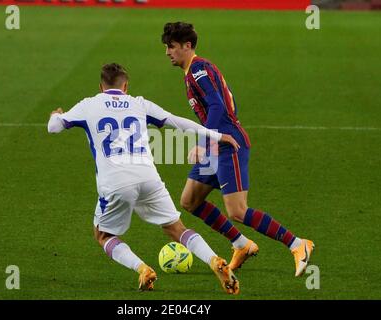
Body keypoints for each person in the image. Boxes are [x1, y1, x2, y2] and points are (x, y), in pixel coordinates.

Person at [47, 63, 240, 294]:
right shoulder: (139, 103)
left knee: (103, 234)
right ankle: (213, 260)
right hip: (148, 177)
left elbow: (53, 128)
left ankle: (142, 269)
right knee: (176, 228)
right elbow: (177, 121)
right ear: (125, 86)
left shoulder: (88, 105)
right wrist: (217, 135)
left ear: (101, 87)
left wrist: (55, 115)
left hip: (116, 182)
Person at [161, 22, 314, 277]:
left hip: (228, 143)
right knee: (190, 200)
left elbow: (217, 106)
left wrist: (203, 142)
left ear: (187, 46)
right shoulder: (192, 73)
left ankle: (298, 244)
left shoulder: (199, 69)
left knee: (237, 211)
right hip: (216, 143)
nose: (167, 52)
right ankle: (241, 245)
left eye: (171, 46)